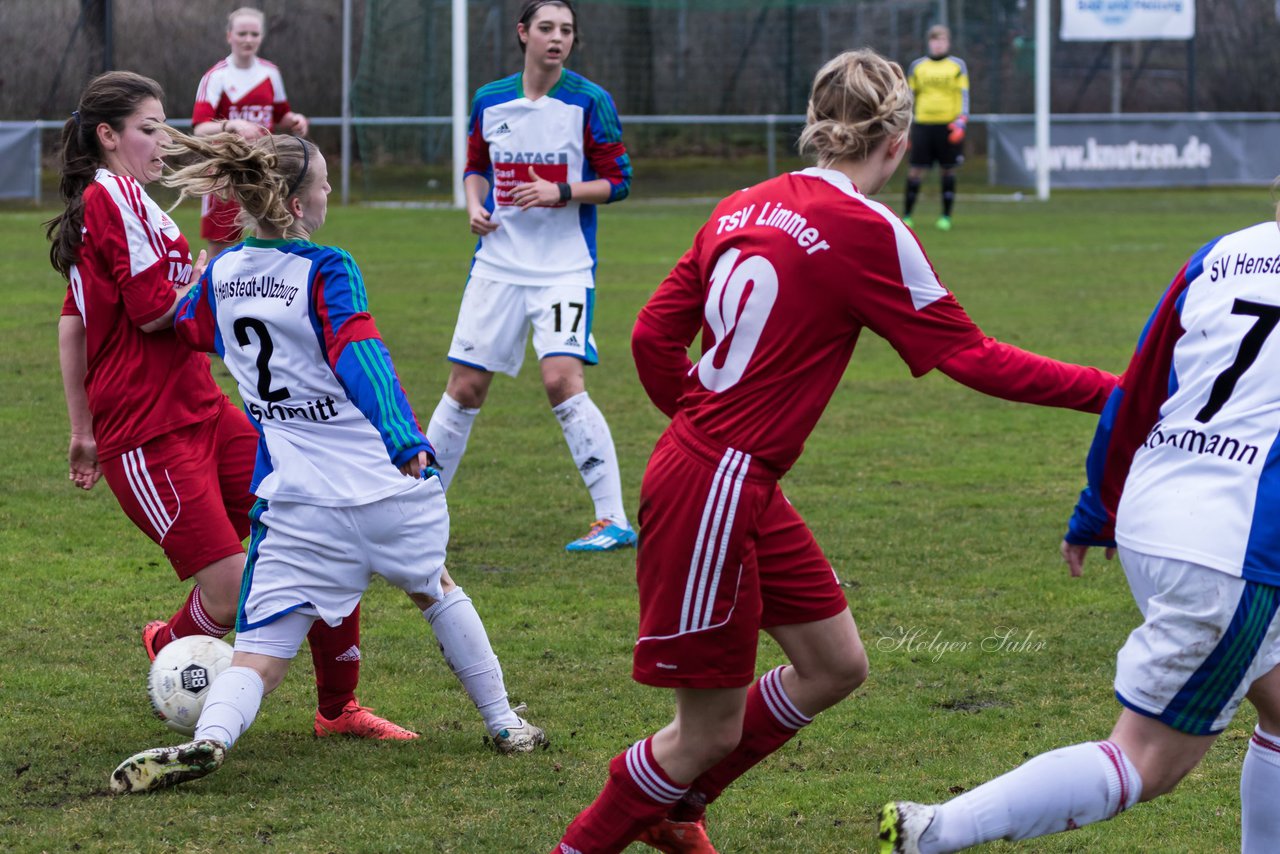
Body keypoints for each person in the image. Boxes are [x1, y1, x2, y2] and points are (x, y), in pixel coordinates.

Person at [552, 49, 1117, 854]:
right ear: (897, 139)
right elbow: (975, 358)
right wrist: (1115, 393)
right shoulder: (868, 228)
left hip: (727, 473)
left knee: (833, 664)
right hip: (719, 479)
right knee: (701, 731)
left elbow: (650, 333)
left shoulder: (740, 205)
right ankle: (600, 831)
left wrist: (698, 425)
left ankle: (675, 811)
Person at [109, 128, 548, 794]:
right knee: (434, 588)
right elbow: (359, 355)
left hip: (296, 503)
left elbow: (193, 328)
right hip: (378, 484)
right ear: (295, 198)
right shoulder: (326, 267)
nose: (330, 189)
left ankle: (210, 739)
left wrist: (205, 279)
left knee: (257, 656)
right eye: (322, 180)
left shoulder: (224, 272)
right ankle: (505, 723)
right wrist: (405, 438)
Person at [879, 208, 1280, 852]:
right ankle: (934, 832)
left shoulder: (1226, 251)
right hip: (1235, 544)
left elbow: (1139, 390)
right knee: (1147, 758)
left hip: (1156, 509)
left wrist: (1097, 510)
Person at [50, 70, 415, 742]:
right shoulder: (108, 200)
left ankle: (339, 709)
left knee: (322, 526)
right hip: (148, 433)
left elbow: (80, 321)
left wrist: (218, 265)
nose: (162, 140)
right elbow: (158, 310)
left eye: (163, 125)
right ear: (108, 137)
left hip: (204, 409)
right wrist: (88, 429)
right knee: (231, 594)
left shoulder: (142, 206)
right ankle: (175, 645)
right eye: (149, 128)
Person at [425, 0, 637, 552]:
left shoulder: (589, 102)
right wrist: (474, 204)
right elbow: (475, 166)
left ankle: (612, 519)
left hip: (564, 269)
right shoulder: (490, 100)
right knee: (465, 387)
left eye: (566, 30)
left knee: (562, 381)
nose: (557, 38)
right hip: (496, 264)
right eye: (546, 28)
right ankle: (418, 511)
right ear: (524, 33)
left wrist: (561, 192)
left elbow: (619, 181)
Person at [192, 6, 309, 257]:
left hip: (266, 170)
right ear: (229, 36)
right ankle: (214, 293)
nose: (248, 40)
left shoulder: (270, 72)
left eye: (254, 34)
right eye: (242, 33)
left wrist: (295, 120)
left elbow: (280, 114)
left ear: (262, 37)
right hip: (227, 173)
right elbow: (200, 129)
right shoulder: (216, 76)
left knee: (276, 239)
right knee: (221, 246)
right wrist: (230, 125)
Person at [902, 24, 969, 232]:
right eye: (934, 40)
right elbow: (909, 98)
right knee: (915, 171)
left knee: (947, 170)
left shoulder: (957, 66)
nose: (938, 44)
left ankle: (946, 217)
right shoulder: (918, 66)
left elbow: (964, 95)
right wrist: (904, 125)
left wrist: (961, 121)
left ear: (947, 43)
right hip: (923, 125)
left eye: (942, 40)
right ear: (929, 42)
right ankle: (907, 216)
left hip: (948, 125)